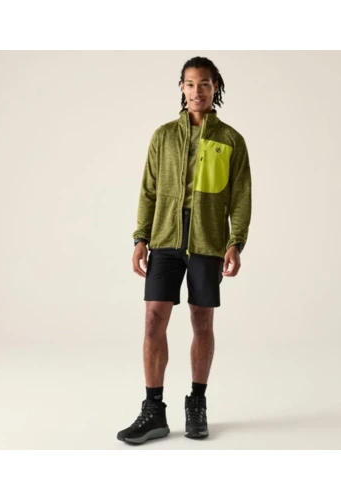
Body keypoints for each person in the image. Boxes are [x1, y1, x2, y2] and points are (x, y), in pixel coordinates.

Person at [117, 56, 252, 445]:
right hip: (165, 238)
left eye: (205, 84)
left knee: (201, 322)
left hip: (208, 240)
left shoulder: (230, 140)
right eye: (190, 84)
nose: (197, 91)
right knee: (153, 320)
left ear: (215, 88)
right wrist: (140, 238)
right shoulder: (163, 136)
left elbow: (240, 195)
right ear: (181, 87)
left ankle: (197, 403)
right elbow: (149, 189)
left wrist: (235, 242)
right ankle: (153, 410)